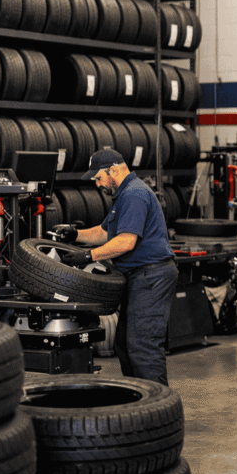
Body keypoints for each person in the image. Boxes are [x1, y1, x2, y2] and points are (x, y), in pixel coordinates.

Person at [51, 149, 177, 385]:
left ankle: (159, 403)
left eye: (99, 178)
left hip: (152, 276)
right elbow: (105, 232)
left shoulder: (134, 194)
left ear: (113, 171)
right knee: (125, 345)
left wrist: (88, 256)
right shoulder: (125, 194)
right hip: (139, 276)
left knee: (143, 347)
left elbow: (126, 241)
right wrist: (75, 234)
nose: (98, 184)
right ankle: (139, 398)